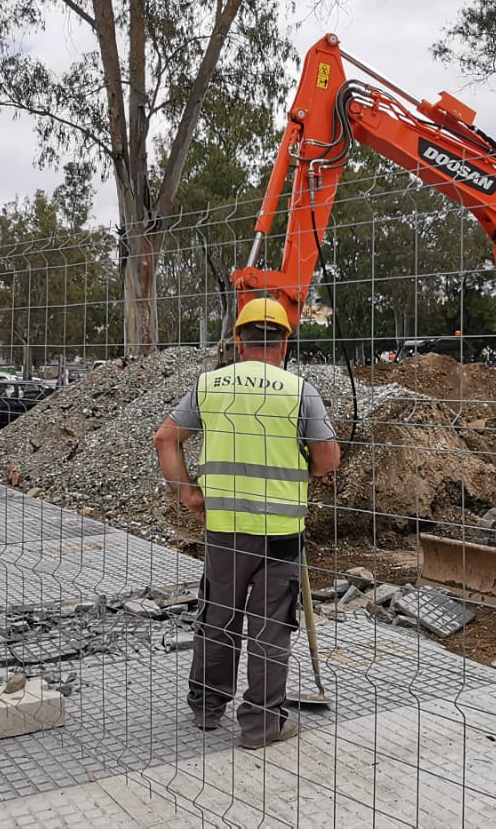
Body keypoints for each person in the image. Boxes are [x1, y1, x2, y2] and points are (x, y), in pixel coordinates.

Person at [153, 297, 342, 750]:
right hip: (280, 534)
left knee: (219, 617)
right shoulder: (299, 391)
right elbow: (328, 460)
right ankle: (260, 726)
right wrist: (303, 466)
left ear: (239, 340)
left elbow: (165, 439)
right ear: (285, 344)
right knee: (271, 626)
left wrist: (187, 491)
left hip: (225, 530)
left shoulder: (209, 385)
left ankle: (206, 708)